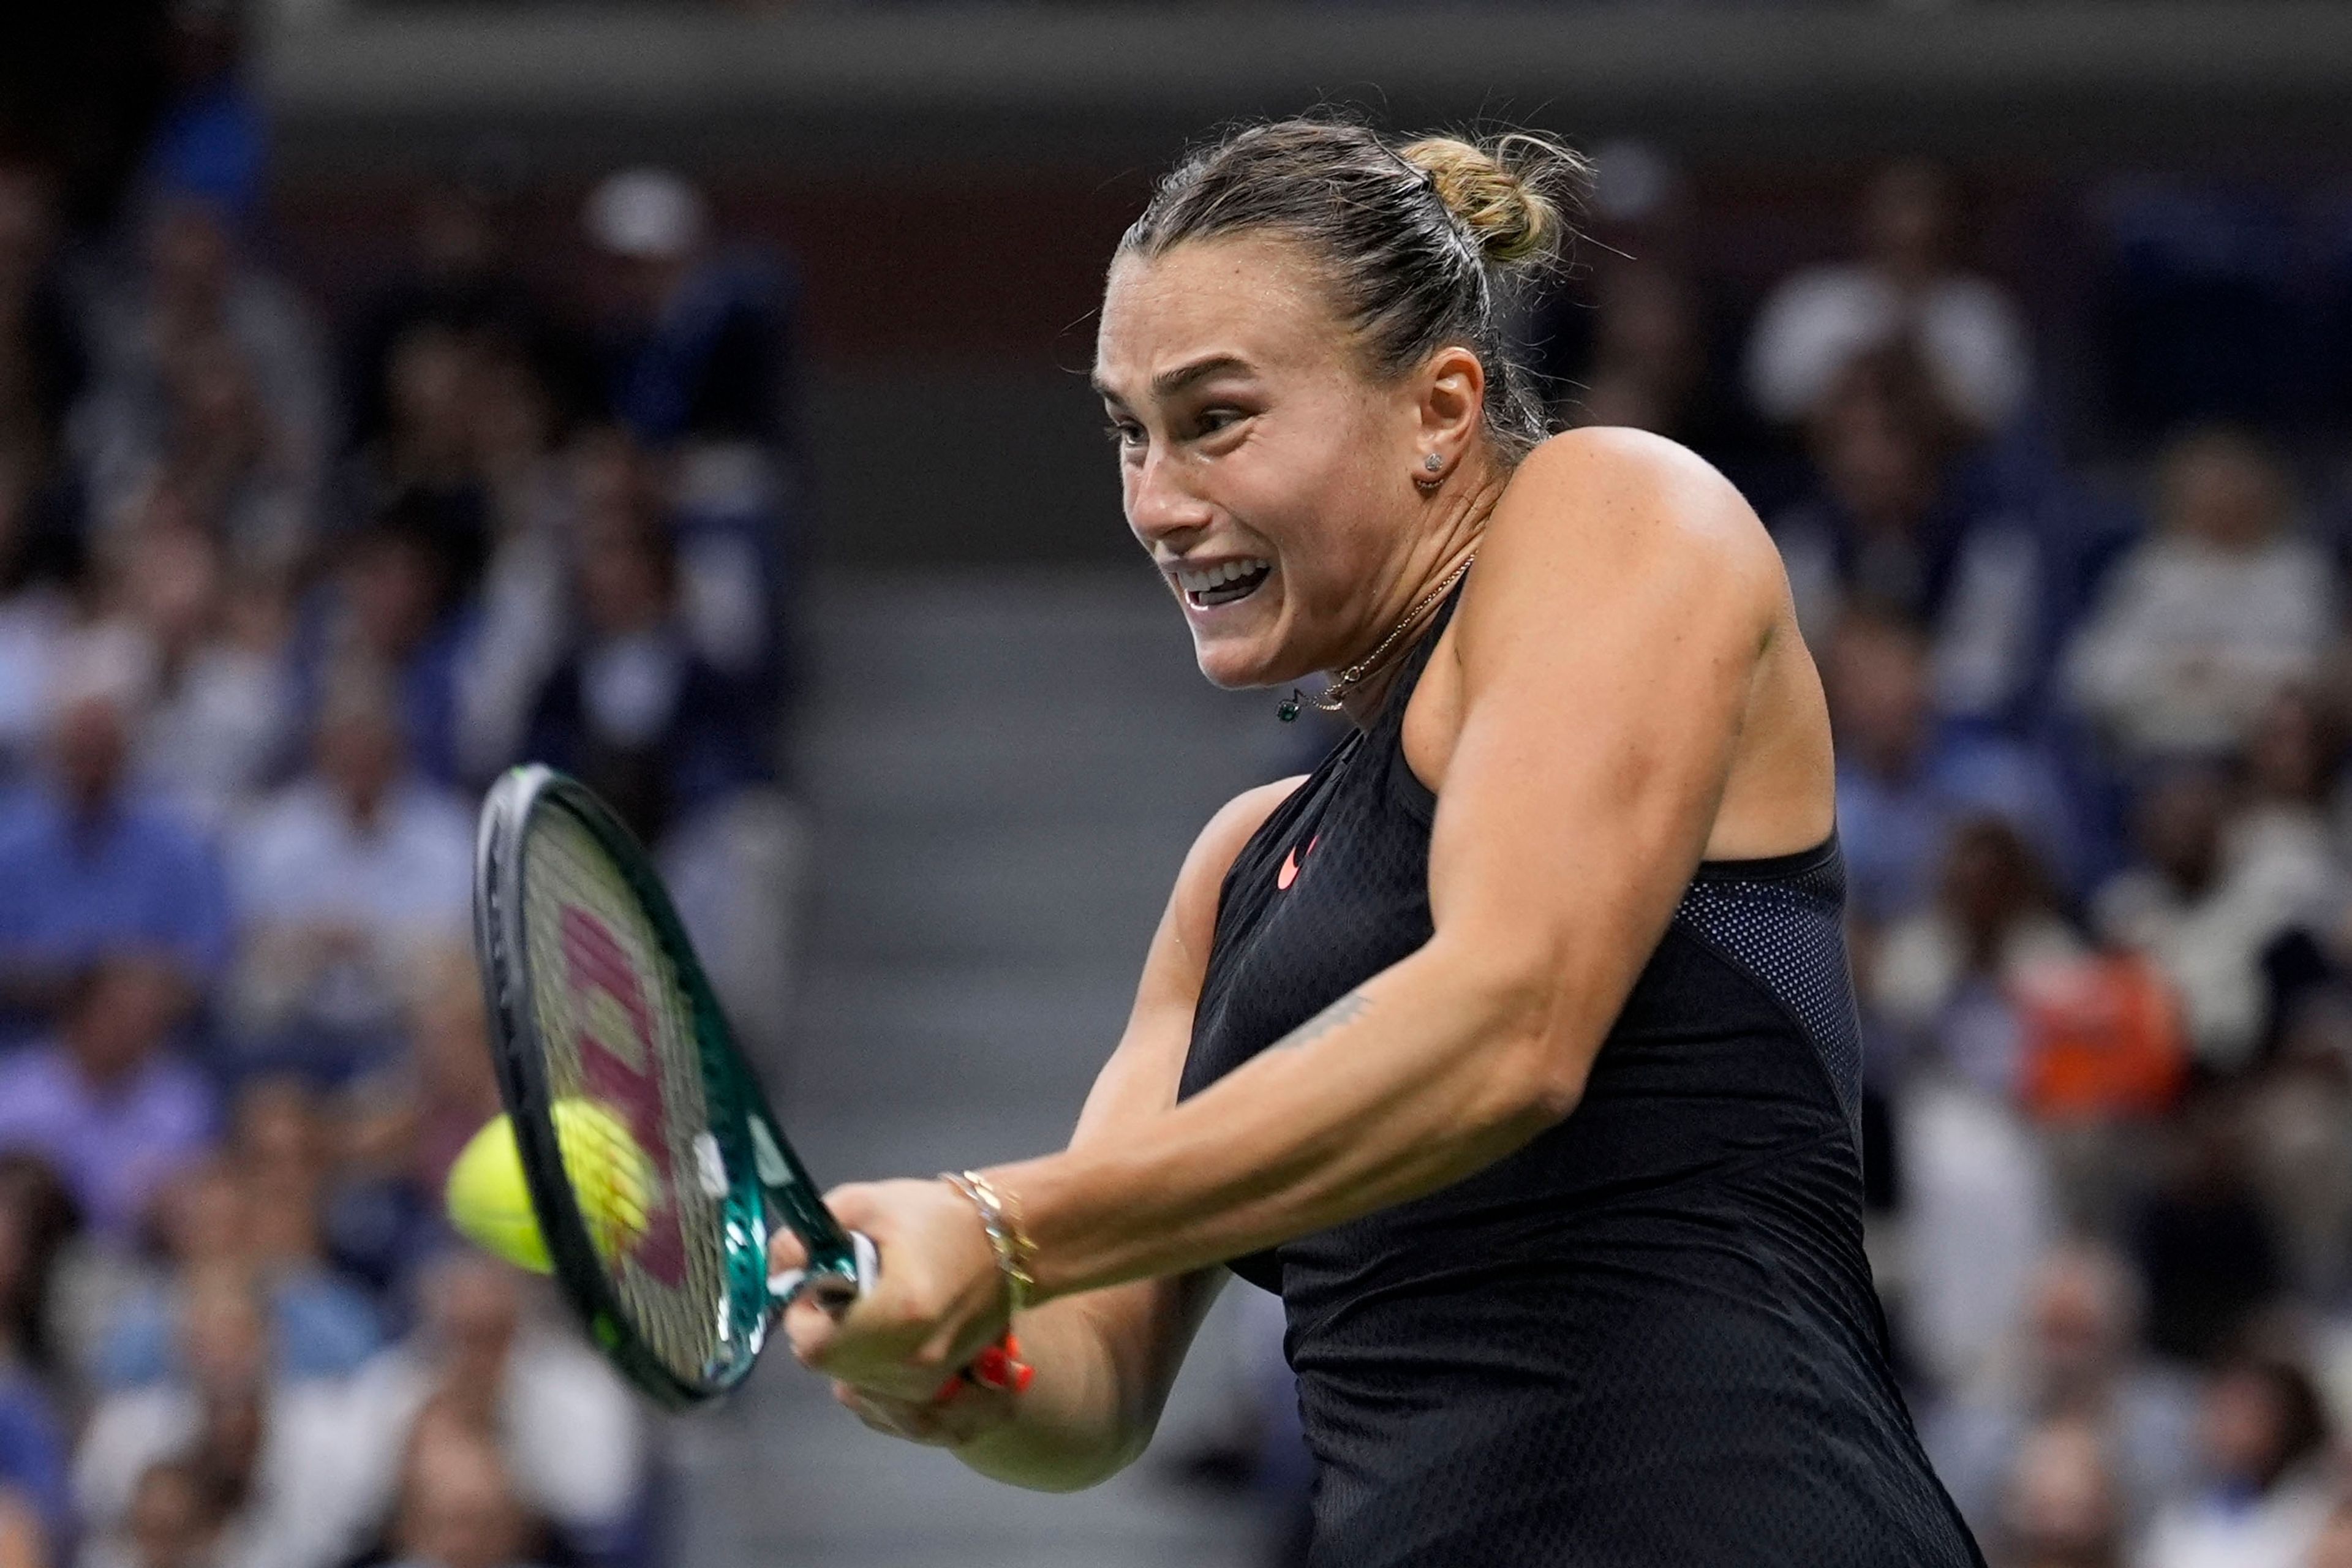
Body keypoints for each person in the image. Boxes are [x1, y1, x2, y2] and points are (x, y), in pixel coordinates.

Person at [771, 118, 1983, 1566]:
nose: (1158, 501)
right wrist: (957, 1360)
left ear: (1441, 408)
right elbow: (1095, 1379)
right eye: (1127, 431)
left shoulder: (1622, 511)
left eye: (1216, 418)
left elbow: (1511, 1025)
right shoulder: (1234, 878)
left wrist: (1001, 1222)